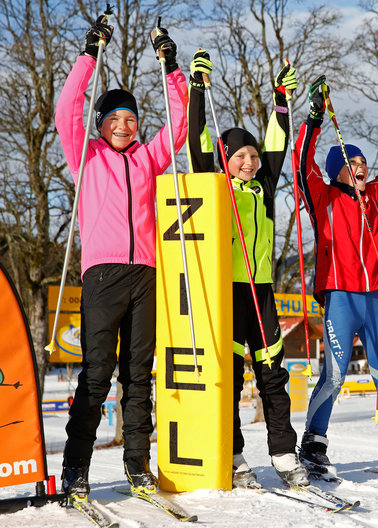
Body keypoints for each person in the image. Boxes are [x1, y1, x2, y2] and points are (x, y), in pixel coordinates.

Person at [56, 16, 188, 497]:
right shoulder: (85, 155)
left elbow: (179, 122)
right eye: (114, 118)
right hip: (103, 273)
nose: (123, 126)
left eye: (131, 119)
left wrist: (170, 66)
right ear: (101, 123)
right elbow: (67, 108)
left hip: (146, 274)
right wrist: (90, 55)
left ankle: (137, 466)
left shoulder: (148, 158)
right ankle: (76, 467)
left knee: (138, 375)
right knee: (96, 371)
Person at [185, 51, 309, 488]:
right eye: (239, 156)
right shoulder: (214, 184)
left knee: (273, 375)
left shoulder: (265, 187)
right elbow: (196, 140)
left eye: (252, 156)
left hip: (262, 291)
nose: (248, 162)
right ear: (226, 158)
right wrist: (198, 89)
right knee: (233, 378)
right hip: (226, 293)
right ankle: (235, 456)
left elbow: (278, 142)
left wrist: (280, 98)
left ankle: (283, 454)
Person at [295, 76, 378, 478]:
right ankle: (314, 442)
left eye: (363, 162)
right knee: (334, 374)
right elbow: (303, 163)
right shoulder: (323, 196)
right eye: (351, 165)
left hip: (375, 296)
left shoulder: (375, 196)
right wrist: (314, 118)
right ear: (337, 173)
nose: (361, 168)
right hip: (340, 295)